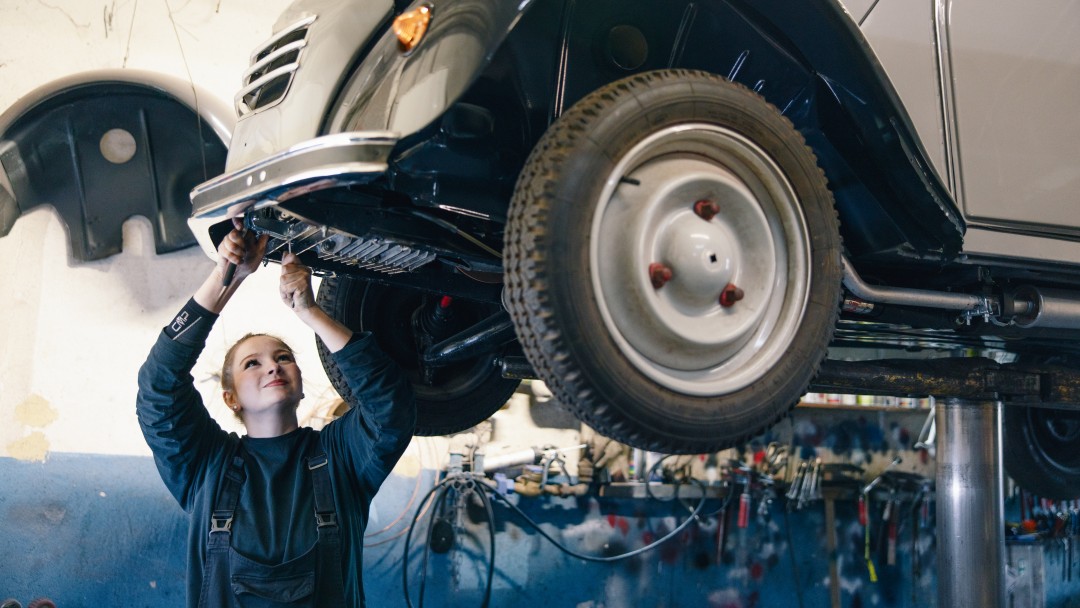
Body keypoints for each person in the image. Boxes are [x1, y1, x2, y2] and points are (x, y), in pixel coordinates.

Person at [136, 221, 416, 608]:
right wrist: (225, 277)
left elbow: (391, 407)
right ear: (231, 398)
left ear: (300, 383)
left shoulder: (342, 458)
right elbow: (158, 389)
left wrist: (311, 311)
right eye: (252, 363)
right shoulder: (205, 465)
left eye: (283, 357)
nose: (272, 367)